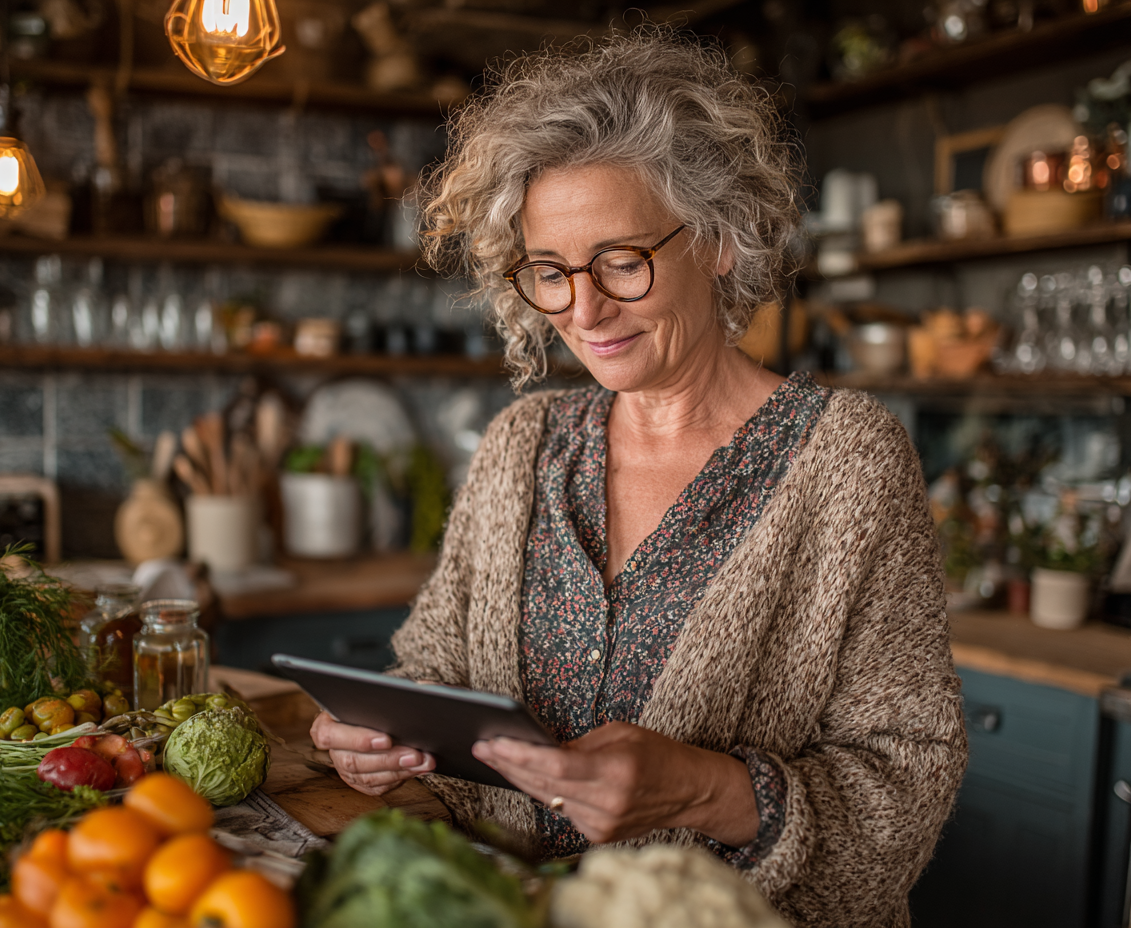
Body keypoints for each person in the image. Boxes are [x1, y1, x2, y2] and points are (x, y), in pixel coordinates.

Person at [310, 29, 967, 928]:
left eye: (622, 260)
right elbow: (433, 667)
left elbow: (907, 781)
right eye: (550, 271)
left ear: (721, 240)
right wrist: (376, 737)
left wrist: (701, 789)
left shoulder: (847, 462)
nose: (584, 309)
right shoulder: (521, 443)